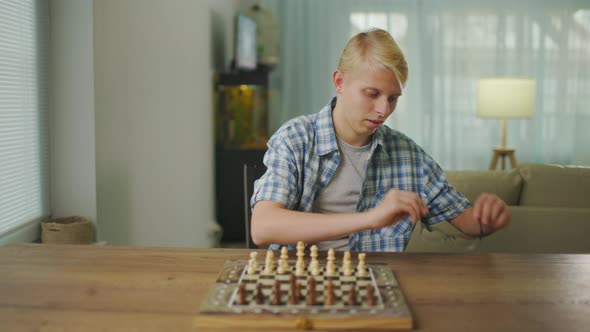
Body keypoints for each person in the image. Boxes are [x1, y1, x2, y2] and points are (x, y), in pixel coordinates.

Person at [250, 28, 510, 251]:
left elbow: (465, 222)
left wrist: (484, 221)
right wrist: (370, 218)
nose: (383, 110)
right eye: (372, 94)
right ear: (340, 82)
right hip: (301, 286)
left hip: (380, 289)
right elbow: (263, 227)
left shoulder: (408, 155)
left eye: (393, 98)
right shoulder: (296, 138)